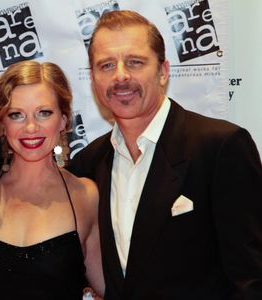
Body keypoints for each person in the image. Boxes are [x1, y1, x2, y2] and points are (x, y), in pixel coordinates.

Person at [67, 10, 262, 300]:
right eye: (106, 65)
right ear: (93, 77)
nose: (120, 76)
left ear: (163, 71)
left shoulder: (221, 147)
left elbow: (251, 278)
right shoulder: (88, 164)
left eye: (135, 62)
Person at [0, 60, 105, 300]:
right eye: (16, 115)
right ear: (1, 123)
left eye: (44, 113)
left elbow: (112, 286)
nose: (31, 127)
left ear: (63, 119)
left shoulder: (85, 196)